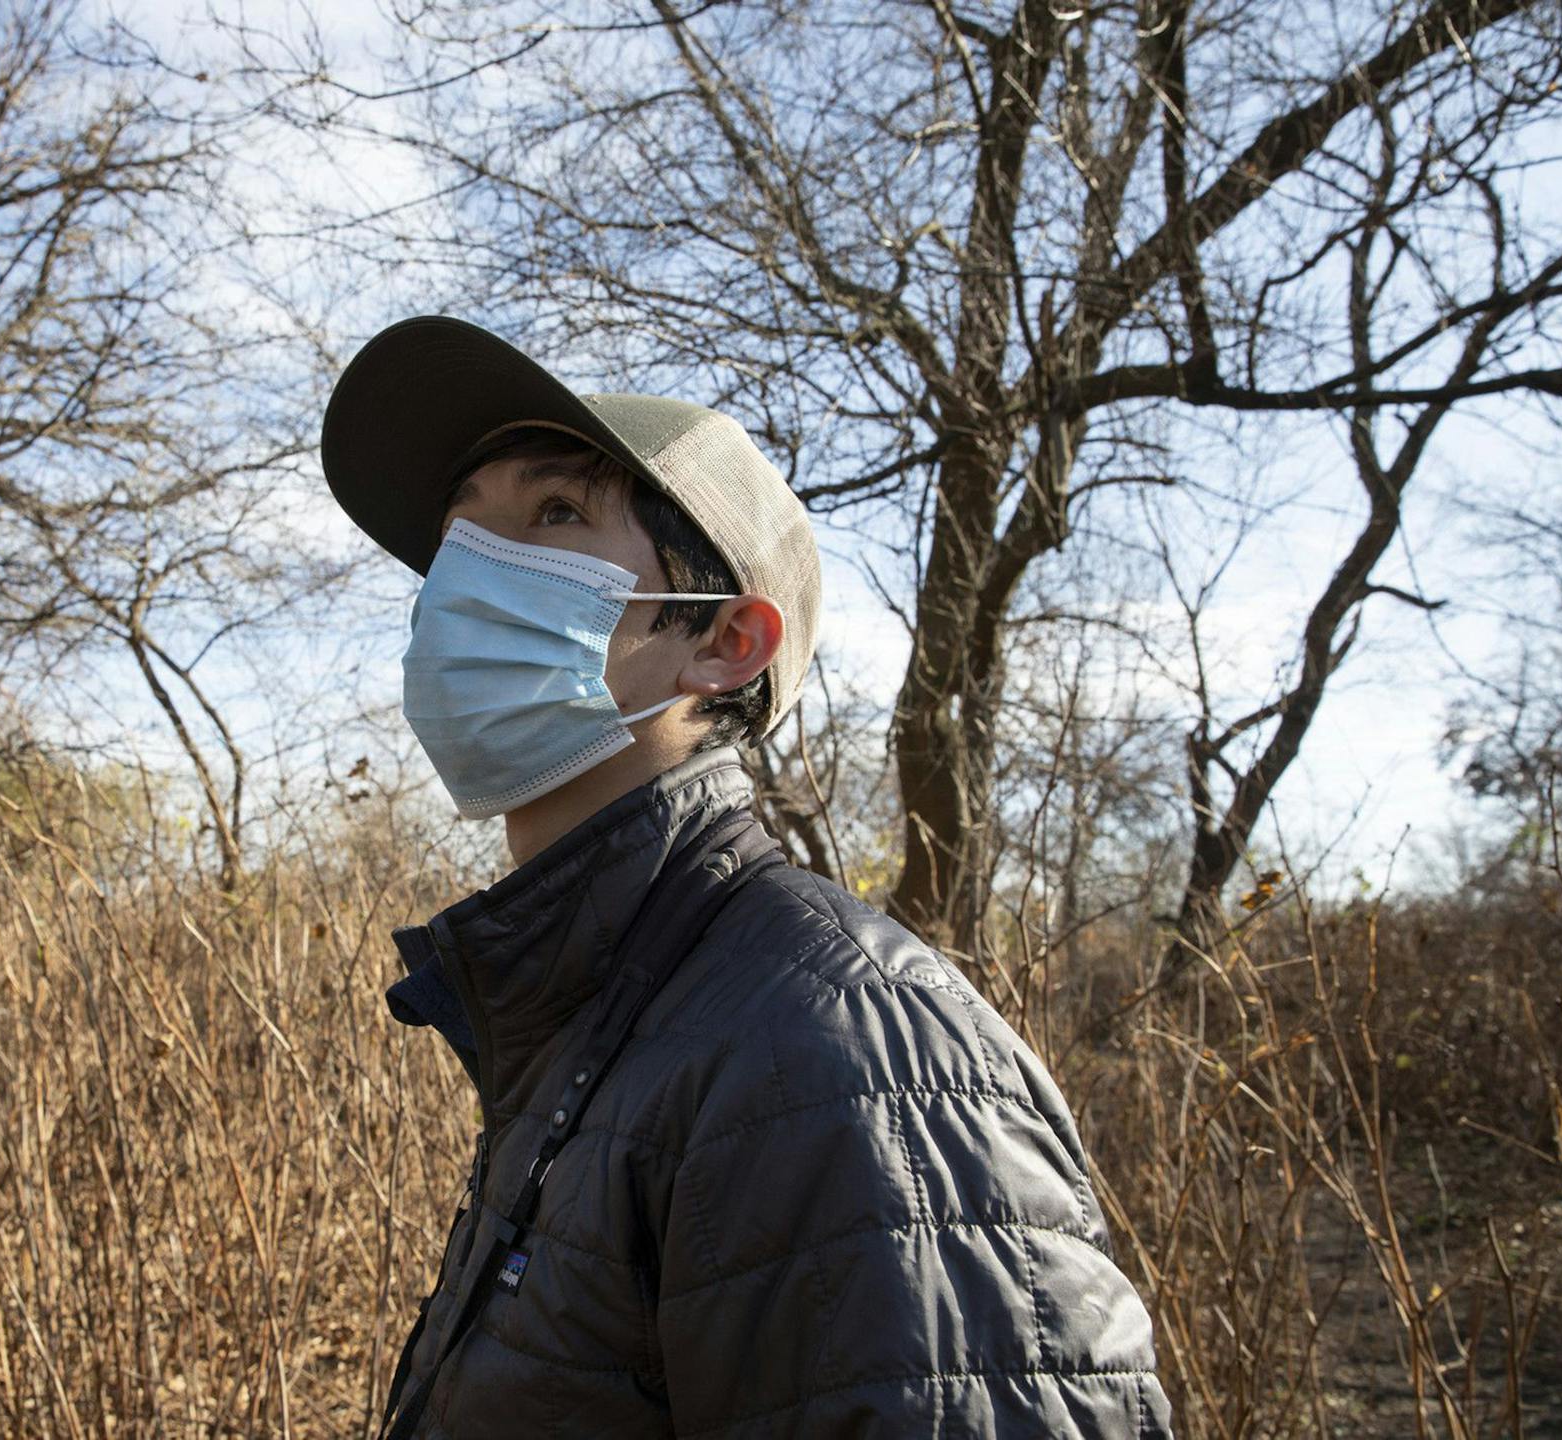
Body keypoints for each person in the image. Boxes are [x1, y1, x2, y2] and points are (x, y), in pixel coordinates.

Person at [320, 315, 1171, 1438]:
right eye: (458, 539)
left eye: (556, 514)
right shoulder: (603, 1008)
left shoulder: (846, 1050)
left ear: (725, 641)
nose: (466, 580)